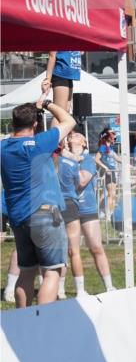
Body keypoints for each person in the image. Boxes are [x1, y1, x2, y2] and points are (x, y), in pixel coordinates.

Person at [0, 98, 76, 307]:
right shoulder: (39, 143)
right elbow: (69, 121)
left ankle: (22, 322)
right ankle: (42, 323)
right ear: (34, 125)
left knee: (26, 272)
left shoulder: (3, 148)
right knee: (52, 272)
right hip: (44, 213)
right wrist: (48, 103)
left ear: (13, 124)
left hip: (18, 218)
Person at [60, 132, 115, 295]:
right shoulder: (63, 158)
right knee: (66, 250)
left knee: (96, 247)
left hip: (86, 208)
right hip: (68, 208)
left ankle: (109, 286)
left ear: (84, 143)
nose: (72, 136)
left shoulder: (88, 159)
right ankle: (61, 290)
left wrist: (70, 164)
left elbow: (82, 181)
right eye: (71, 135)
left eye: (77, 135)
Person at [97, 128, 120, 218]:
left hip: (111, 171)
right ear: (108, 137)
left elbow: (117, 158)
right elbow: (96, 159)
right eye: (113, 135)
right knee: (112, 194)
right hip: (108, 172)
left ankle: (101, 212)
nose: (114, 138)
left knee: (106, 194)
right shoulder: (103, 147)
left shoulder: (109, 147)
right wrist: (106, 168)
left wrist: (129, 165)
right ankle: (109, 215)